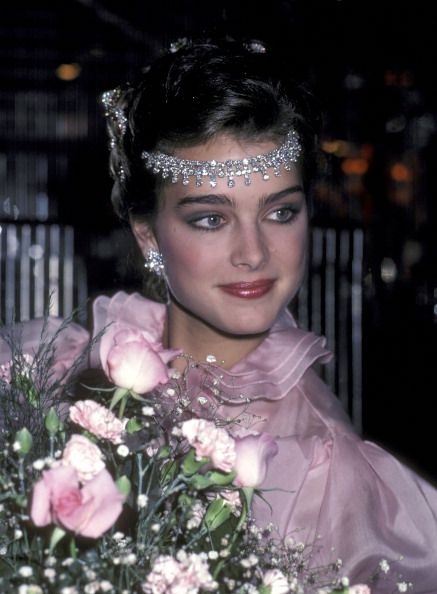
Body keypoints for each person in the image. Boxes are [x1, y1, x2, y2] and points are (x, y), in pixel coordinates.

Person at [3, 38, 437, 591]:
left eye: (281, 212)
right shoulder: (46, 368)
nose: (254, 253)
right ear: (147, 235)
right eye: (211, 219)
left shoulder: (331, 479)